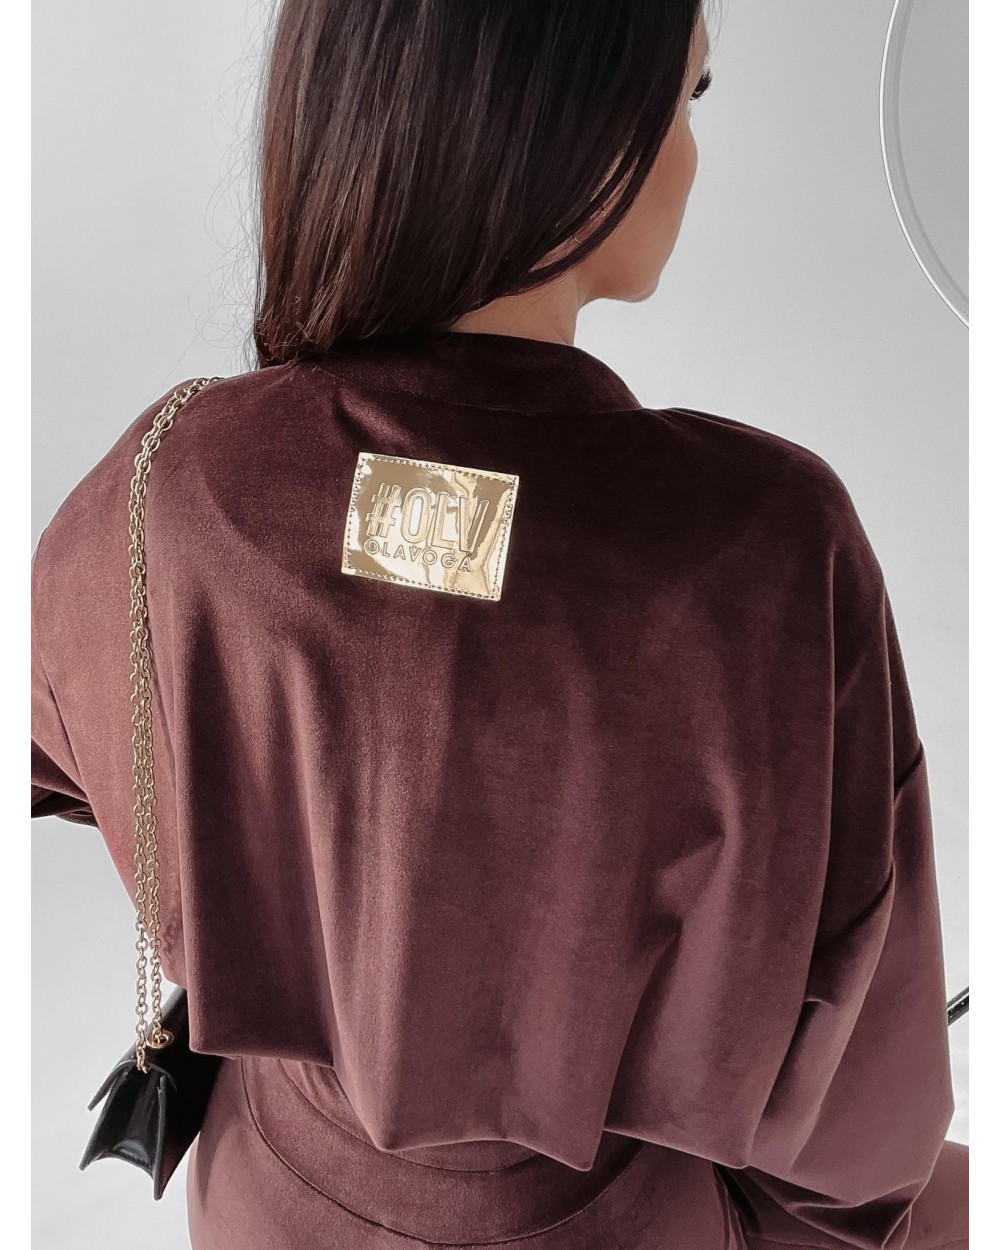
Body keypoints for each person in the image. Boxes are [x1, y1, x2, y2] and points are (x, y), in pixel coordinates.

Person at [31, 2, 968, 1247]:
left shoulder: (177, 478)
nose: (691, 150)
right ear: (569, 131)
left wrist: (275, 819)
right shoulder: (766, 545)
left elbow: (59, 734)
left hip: (270, 1200)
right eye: (687, 96)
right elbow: (861, 1120)